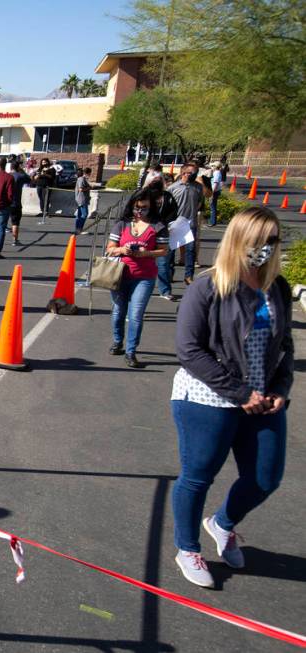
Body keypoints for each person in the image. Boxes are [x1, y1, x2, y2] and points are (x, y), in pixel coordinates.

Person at [169, 207, 293, 588]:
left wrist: (279, 390)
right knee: (198, 476)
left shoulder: (278, 288)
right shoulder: (209, 287)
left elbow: (286, 345)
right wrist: (240, 392)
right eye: (259, 241)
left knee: (264, 478)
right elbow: (189, 350)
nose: (266, 249)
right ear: (239, 241)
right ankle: (187, 547)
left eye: (272, 241)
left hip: (262, 400)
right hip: (207, 398)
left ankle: (222, 524)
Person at [106, 190, 169, 368]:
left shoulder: (158, 226)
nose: (139, 212)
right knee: (118, 311)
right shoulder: (122, 224)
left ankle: (131, 351)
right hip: (119, 274)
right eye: (136, 208)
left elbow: (164, 250)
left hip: (144, 277)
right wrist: (121, 250)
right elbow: (110, 247)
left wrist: (145, 253)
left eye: (144, 208)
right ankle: (118, 341)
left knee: (135, 315)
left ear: (152, 207)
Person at [166, 164, 205, 287]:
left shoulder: (198, 187)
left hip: (190, 223)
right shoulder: (173, 188)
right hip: (175, 223)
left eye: (196, 172)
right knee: (171, 250)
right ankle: (169, 274)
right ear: (184, 173)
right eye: (192, 172)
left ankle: (189, 276)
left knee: (190, 250)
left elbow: (200, 203)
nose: (194, 175)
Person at [147, 175, 181, 301]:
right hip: (146, 232)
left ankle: (165, 290)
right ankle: (143, 288)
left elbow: (174, 212)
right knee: (144, 262)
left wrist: (164, 223)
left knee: (163, 263)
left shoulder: (167, 196)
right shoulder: (144, 195)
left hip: (163, 232)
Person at [8, 160, 31, 246]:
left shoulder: (7, 175)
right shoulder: (20, 176)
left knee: (0, 222)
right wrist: (22, 170)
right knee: (15, 222)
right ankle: (15, 240)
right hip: (15, 202)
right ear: (18, 167)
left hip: (5, 202)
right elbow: (29, 179)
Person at [74, 167, 91, 234]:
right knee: (84, 214)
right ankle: (79, 229)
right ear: (88, 173)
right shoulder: (82, 179)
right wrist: (89, 187)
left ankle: (77, 229)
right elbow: (81, 189)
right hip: (82, 199)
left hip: (80, 199)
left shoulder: (80, 179)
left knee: (79, 214)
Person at [208, 162, 223, 227]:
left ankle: (212, 222)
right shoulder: (216, 172)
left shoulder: (217, 173)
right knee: (212, 206)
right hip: (214, 191)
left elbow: (215, 183)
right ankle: (212, 221)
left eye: (212, 166)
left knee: (212, 206)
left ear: (215, 166)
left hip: (214, 191)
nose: (211, 167)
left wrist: (212, 193)